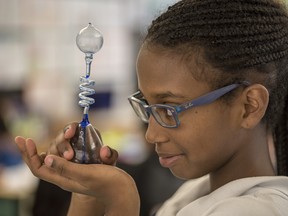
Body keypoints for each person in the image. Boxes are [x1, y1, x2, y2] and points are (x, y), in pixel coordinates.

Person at [15, 0, 288, 215]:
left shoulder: (255, 210)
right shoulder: (193, 194)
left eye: (169, 109)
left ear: (249, 106)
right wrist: (89, 194)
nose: (151, 134)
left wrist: (122, 198)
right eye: (148, 105)